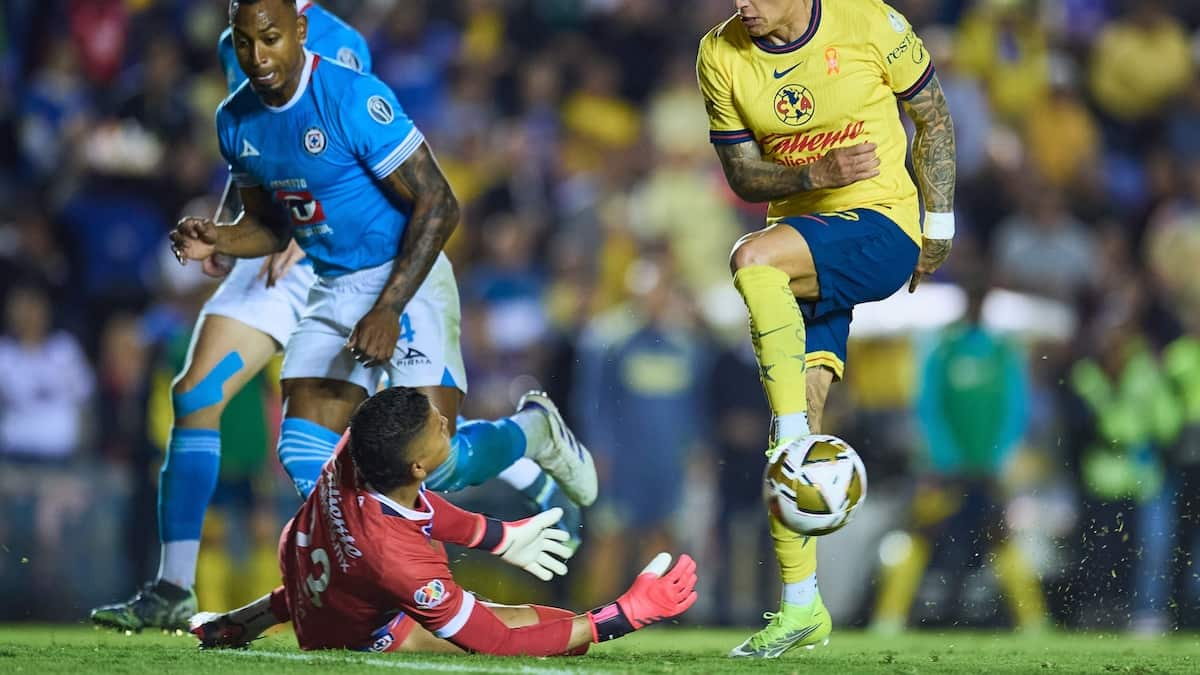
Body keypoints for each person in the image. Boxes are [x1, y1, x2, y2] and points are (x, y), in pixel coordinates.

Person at [91, 0, 592, 633]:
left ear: (299, 29)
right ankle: (389, 587)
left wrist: (388, 308)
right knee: (305, 454)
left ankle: (530, 433)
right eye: (245, 42)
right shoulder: (234, 114)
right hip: (333, 283)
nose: (257, 56)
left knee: (434, 464)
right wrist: (218, 236)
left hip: (402, 277)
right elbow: (272, 224)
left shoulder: (349, 88)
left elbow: (439, 203)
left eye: (271, 39)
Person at [696, 0, 956, 657]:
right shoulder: (719, 54)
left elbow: (933, 115)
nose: (742, 6)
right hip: (805, 245)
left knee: (750, 259)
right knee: (795, 444)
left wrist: (940, 224)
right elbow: (742, 173)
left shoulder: (867, 22)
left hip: (879, 227)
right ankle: (801, 607)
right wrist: (813, 174)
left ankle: (787, 435)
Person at [189, 387, 697, 655]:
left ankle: (234, 624)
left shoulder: (362, 447)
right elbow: (498, 643)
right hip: (356, 628)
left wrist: (497, 538)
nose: (447, 424)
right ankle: (244, 621)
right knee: (544, 631)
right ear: (414, 466)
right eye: (437, 428)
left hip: (307, 564)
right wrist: (621, 616)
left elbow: (419, 506)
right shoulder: (400, 562)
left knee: (339, 585)